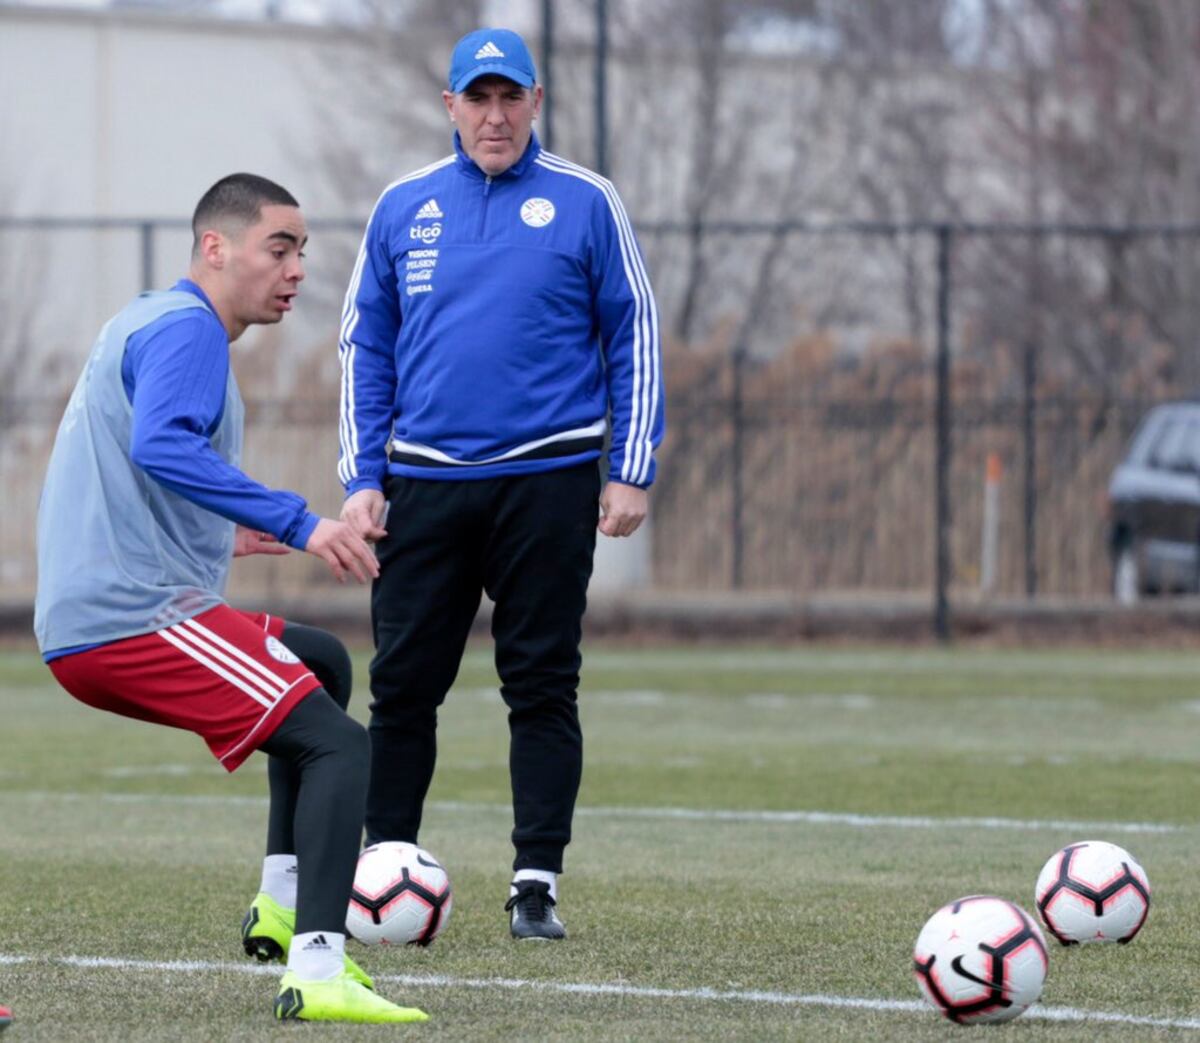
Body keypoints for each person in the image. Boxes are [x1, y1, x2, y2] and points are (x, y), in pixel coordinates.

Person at [33, 174, 427, 1024]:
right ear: (215, 248)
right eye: (278, 248)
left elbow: (133, 464)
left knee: (317, 662)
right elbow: (164, 443)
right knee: (340, 747)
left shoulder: (144, 318)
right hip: (127, 620)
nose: (295, 269)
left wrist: (224, 536)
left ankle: (283, 900)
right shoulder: (190, 332)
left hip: (103, 608)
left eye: (302, 252)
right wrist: (302, 523)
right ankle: (318, 968)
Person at [338, 27, 665, 940]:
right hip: (425, 485)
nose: (494, 115)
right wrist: (362, 477)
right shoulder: (404, 207)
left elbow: (633, 331)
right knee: (402, 684)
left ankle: (535, 883)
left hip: (550, 479)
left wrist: (629, 468)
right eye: (476, 99)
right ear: (450, 106)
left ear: (536, 102)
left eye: (509, 97)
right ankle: (383, 866)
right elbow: (364, 345)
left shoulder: (586, 201)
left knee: (542, 683)